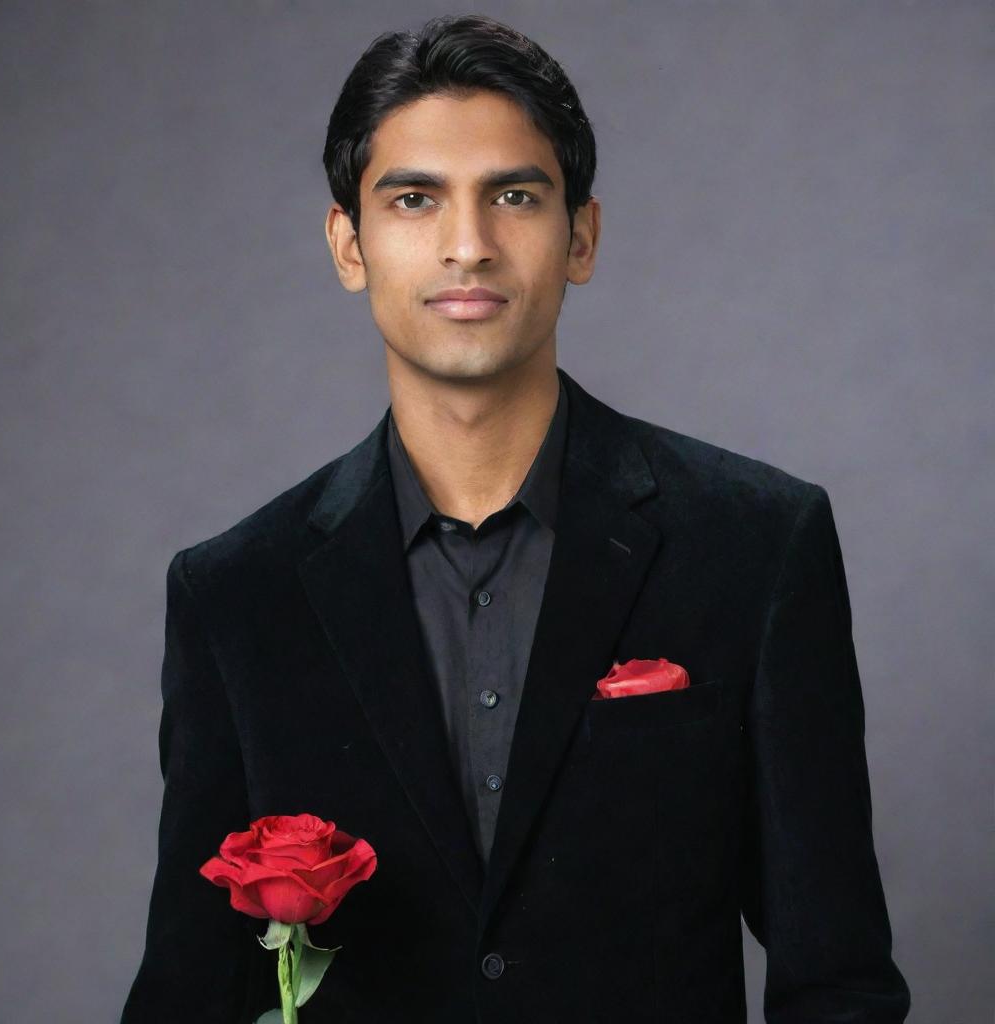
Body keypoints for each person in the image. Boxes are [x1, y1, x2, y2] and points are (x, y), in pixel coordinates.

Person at [121, 13, 911, 1023]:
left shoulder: (754, 543)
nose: (468, 245)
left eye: (515, 195)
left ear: (579, 235)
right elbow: (191, 989)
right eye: (414, 199)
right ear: (348, 244)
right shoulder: (238, 593)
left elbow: (835, 977)